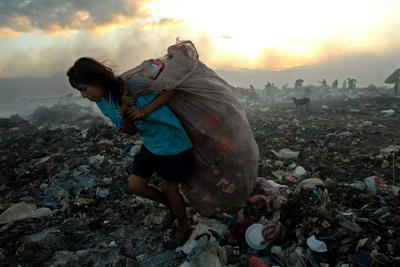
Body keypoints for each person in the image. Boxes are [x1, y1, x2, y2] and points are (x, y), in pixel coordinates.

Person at [66, 57, 193, 249]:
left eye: (84, 88)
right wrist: (124, 111)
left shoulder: (131, 84)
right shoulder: (103, 102)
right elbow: (129, 130)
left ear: (96, 80)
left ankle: (183, 226)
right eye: (80, 91)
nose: (84, 95)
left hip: (172, 141)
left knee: (169, 188)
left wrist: (143, 111)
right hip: (151, 144)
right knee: (135, 185)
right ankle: (173, 208)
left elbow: (169, 91)